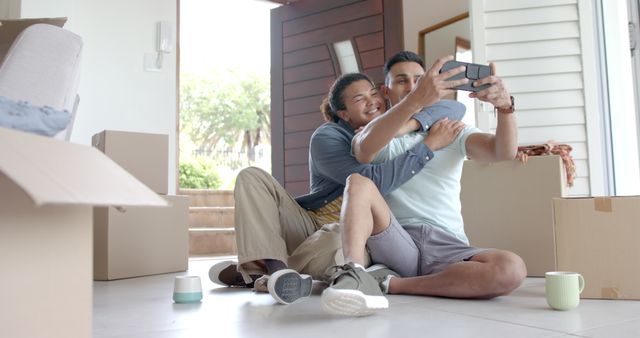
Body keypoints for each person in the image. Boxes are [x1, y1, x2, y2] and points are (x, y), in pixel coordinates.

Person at [209, 53, 469, 305]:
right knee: (251, 176)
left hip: (350, 235)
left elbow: (455, 106)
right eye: (359, 99)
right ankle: (276, 270)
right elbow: (369, 180)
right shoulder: (328, 136)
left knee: (339, 244)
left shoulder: (393, 126)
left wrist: (405, 125)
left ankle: (260, 273)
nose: (372, 102)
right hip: (311, 223)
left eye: (374, 94)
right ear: (344, 114)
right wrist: (428, 147)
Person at [320, 54, 527, 316]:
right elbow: (363, 150)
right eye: (401, 80)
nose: (412, 85)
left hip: (446, 243)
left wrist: (505, 107)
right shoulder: (377, 131)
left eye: (419, 79)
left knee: (511, 268)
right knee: (358, 182)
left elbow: (502, 151)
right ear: (386, 91)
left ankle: (393, 284)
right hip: (396, 238)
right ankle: (356, 273)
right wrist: (417, 99)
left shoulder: (451, 129)